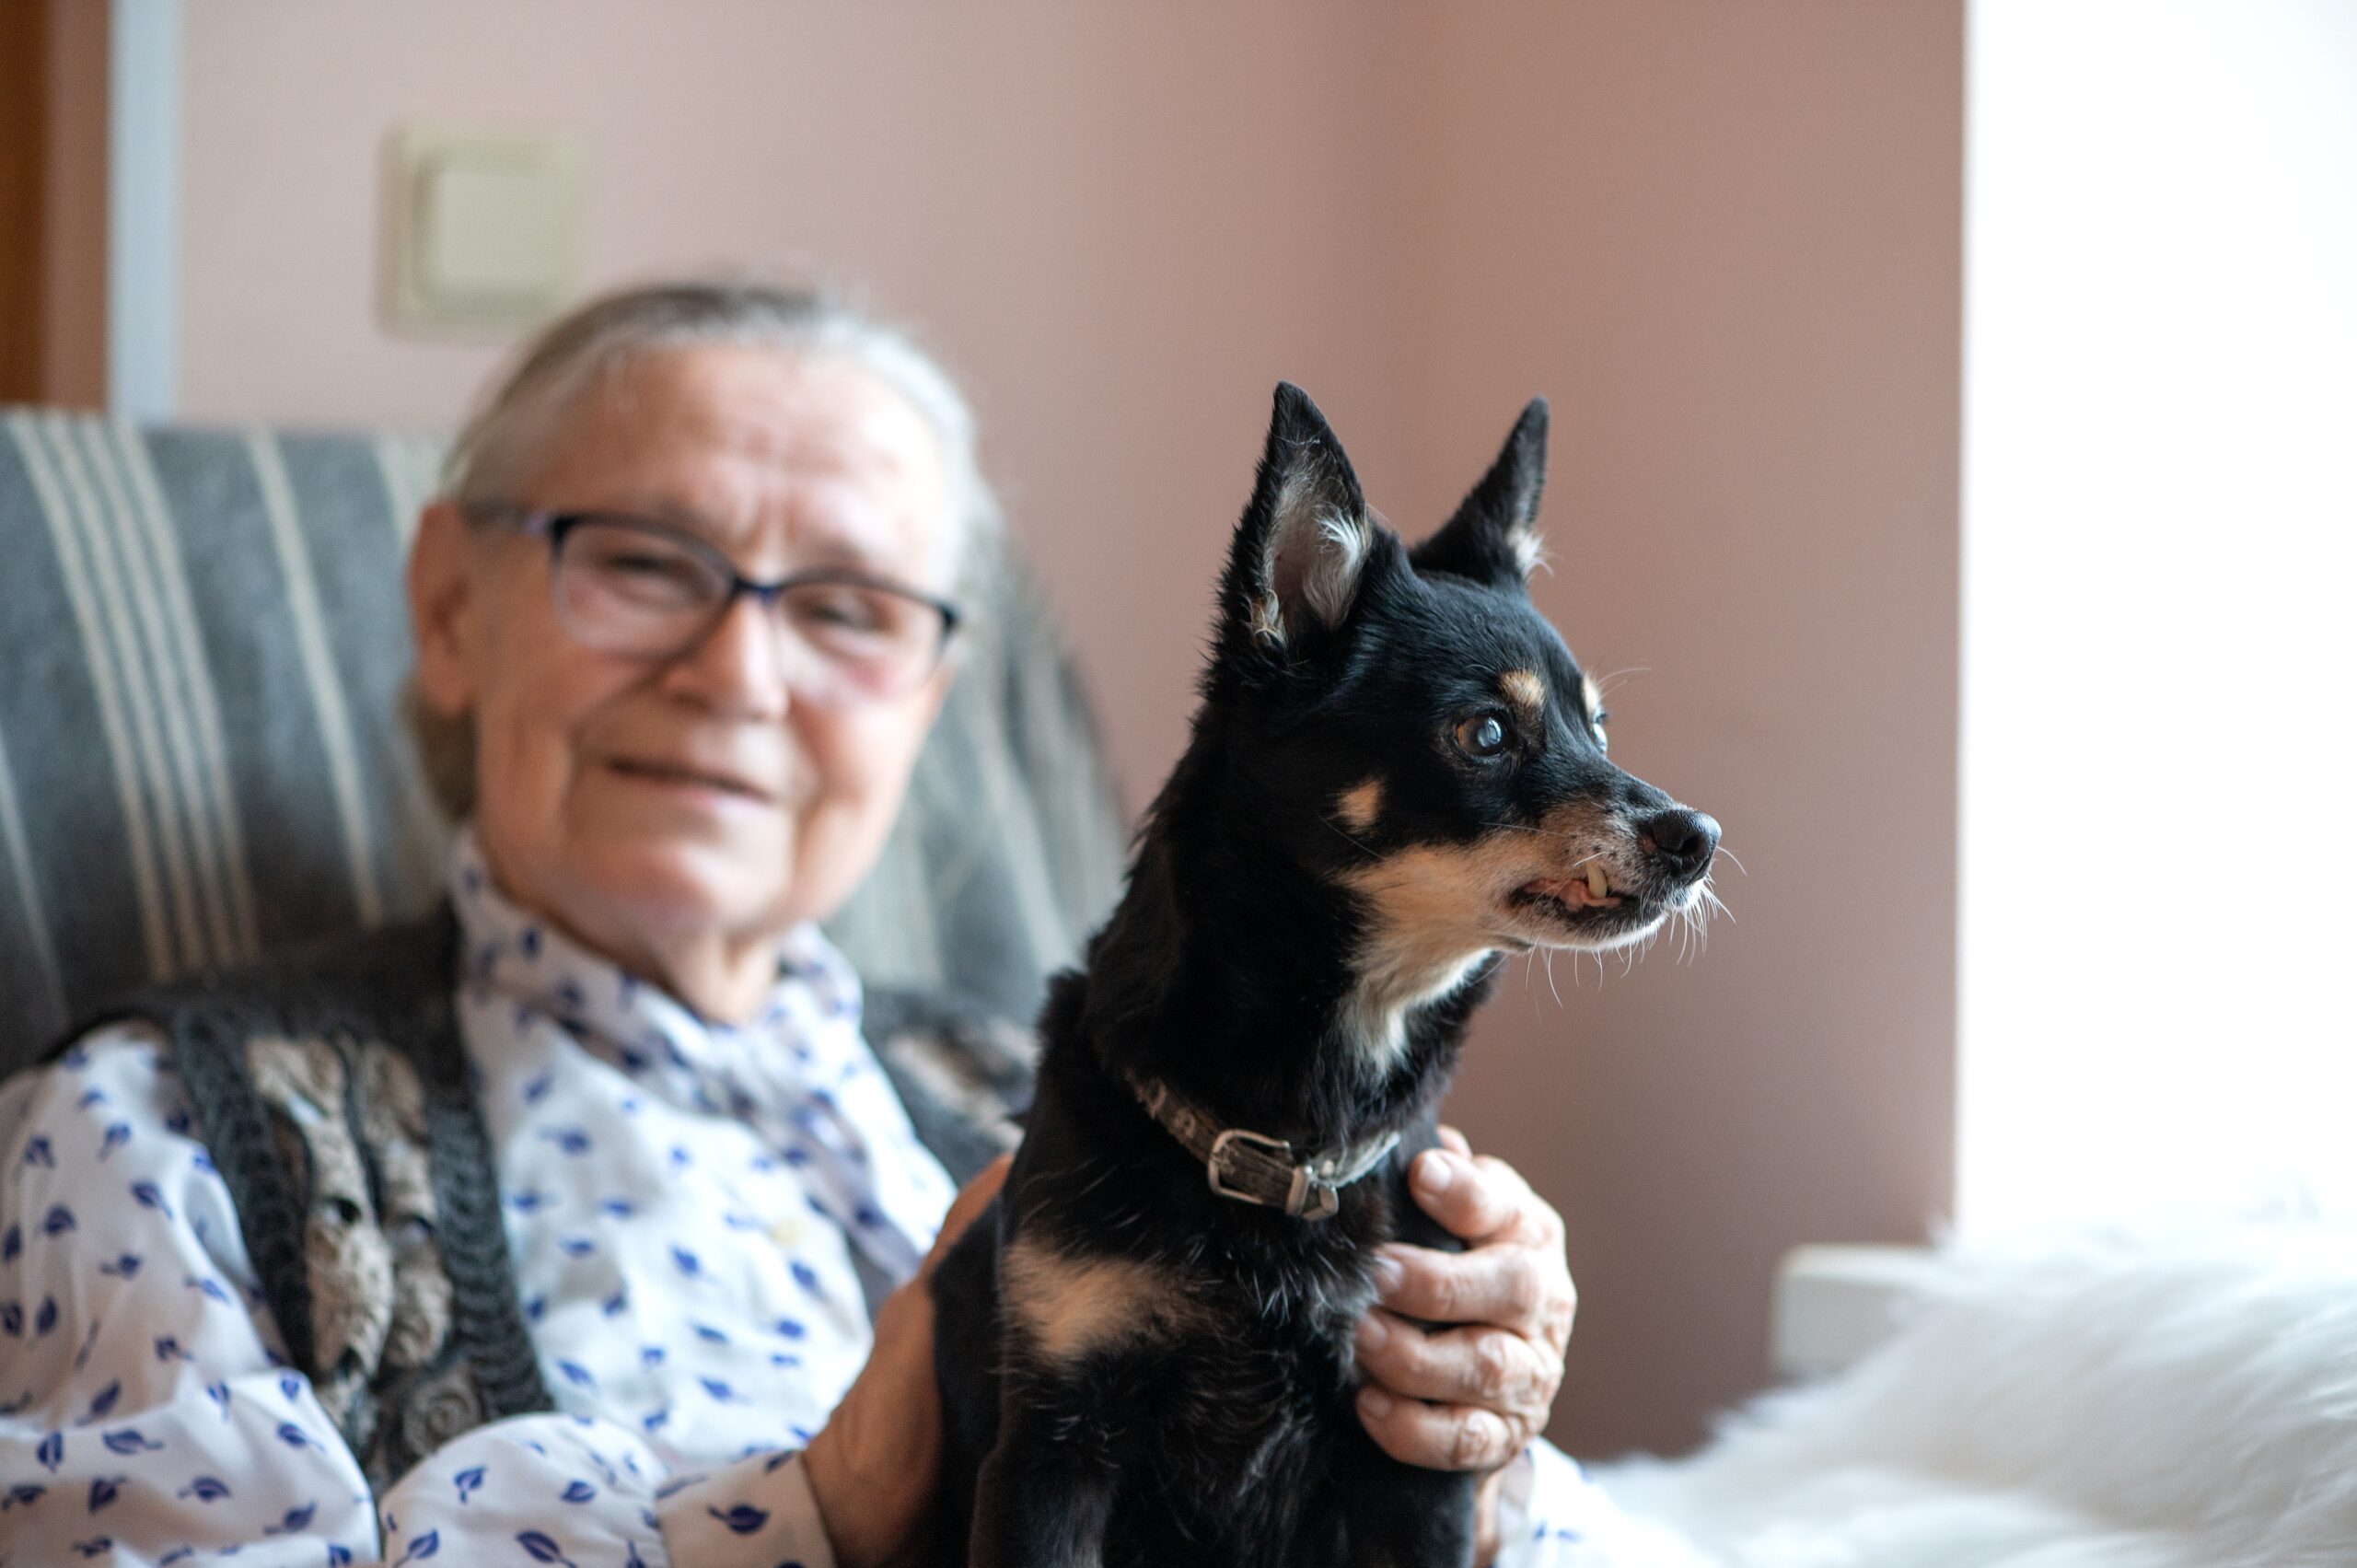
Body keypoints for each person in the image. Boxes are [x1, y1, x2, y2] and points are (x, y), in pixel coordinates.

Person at [0, 283, 1674, 1566]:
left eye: (851, 607)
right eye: (646, 563)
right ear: (449, 605)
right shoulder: (169, 1128)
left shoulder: (1105, 1073)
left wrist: (1463, 1435)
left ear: (927, 696)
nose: (741, 676)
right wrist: (818, 1507)